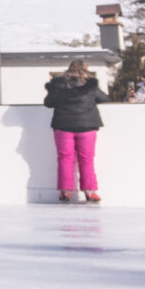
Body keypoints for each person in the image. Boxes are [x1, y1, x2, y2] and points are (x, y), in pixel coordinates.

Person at [43, 59, 106, 203]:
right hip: (87, 127)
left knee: (65, 158)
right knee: (87, 159)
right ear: (85, 69)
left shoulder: (58, 85)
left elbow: (48, 103)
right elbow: (104, 98)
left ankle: (65, 192)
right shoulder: (91, 86)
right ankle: (90, 192)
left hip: (63, 126)